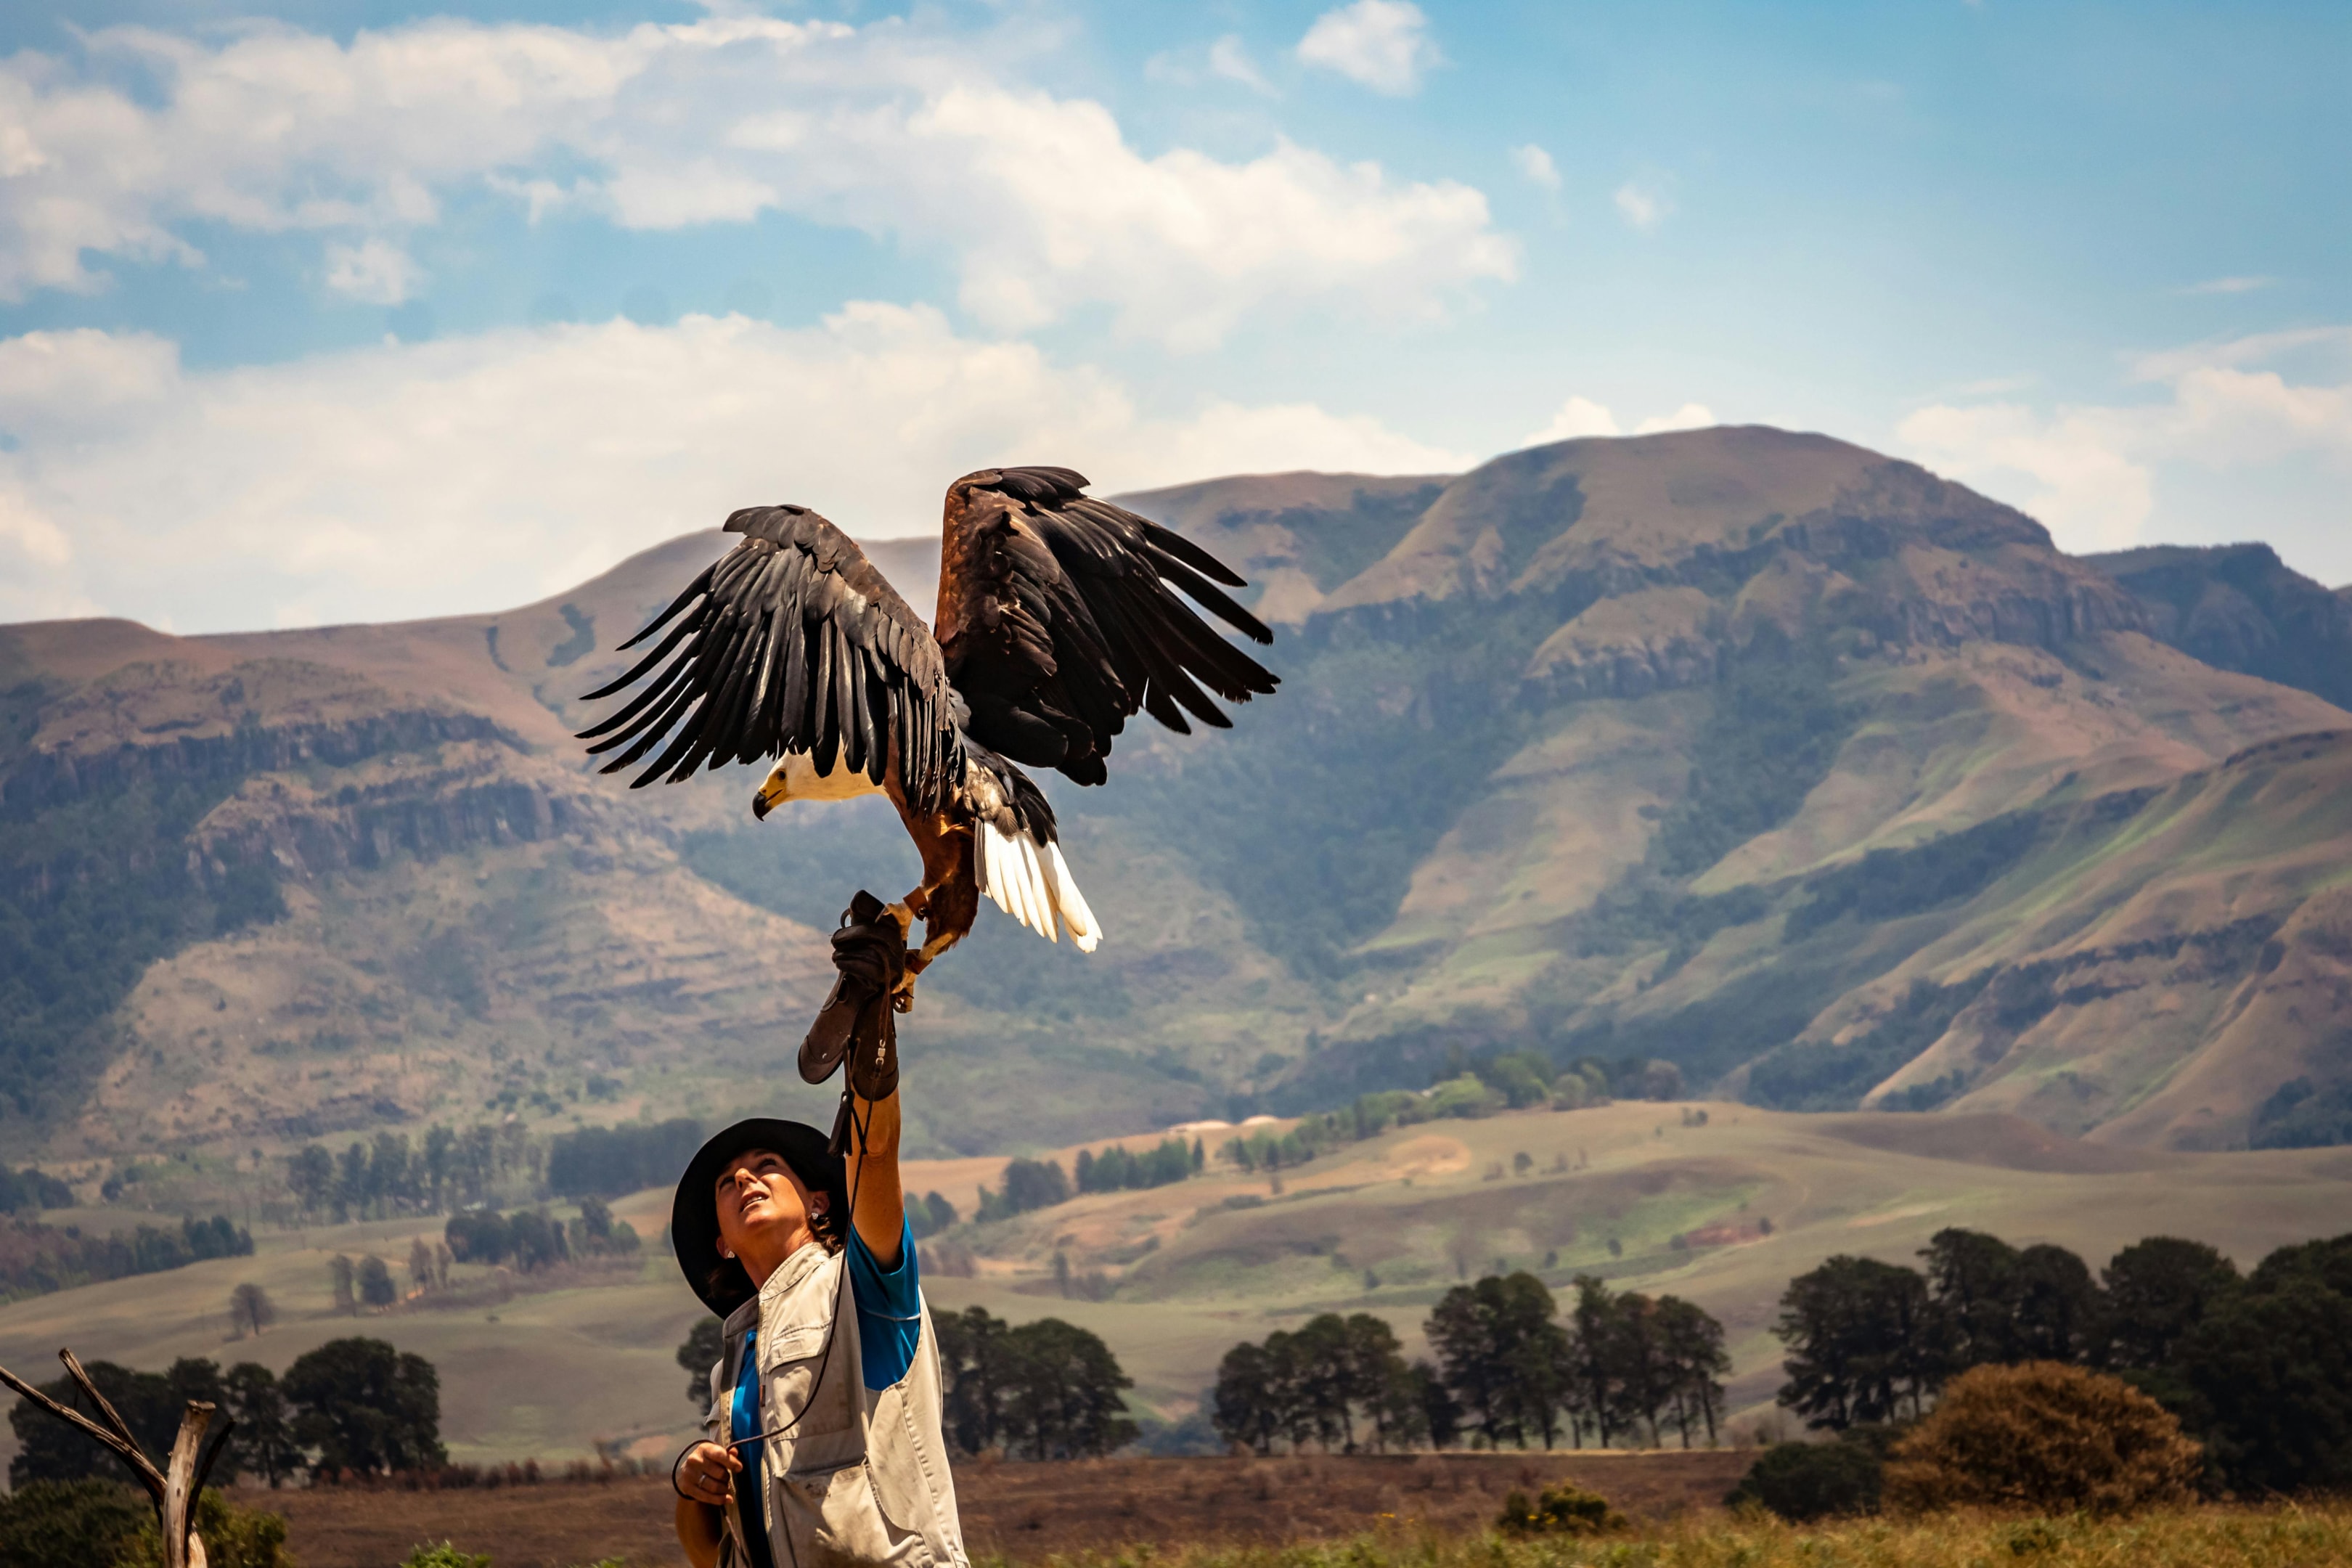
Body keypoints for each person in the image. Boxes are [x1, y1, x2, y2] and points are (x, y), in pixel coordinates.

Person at [669, 1079, 968, 1568]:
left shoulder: (860, 1288)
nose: (745, 1179)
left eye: (767, 1165)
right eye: (728, 1182)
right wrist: (689, 1479)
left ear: (819, 1202)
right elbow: (712, 1554)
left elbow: (874, 1155)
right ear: (722, 1242)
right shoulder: (731, 1368)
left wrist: (871, 1069)